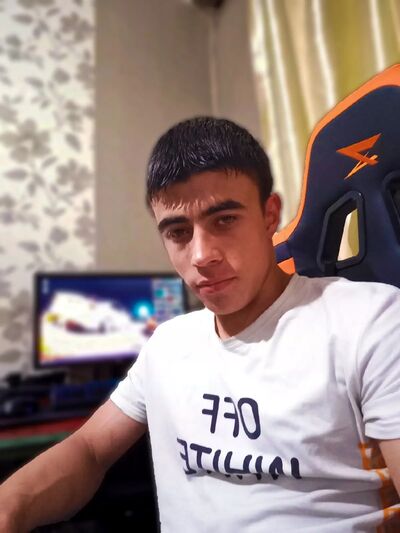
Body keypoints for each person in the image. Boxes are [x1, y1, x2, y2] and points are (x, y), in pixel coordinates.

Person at [0, 117, 399, 532]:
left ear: (269, 215)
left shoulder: (369, 322)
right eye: (178, 232)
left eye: (224, 220)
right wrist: (9, 508)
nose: (201, 255)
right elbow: (89, 449)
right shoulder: (168, 344)